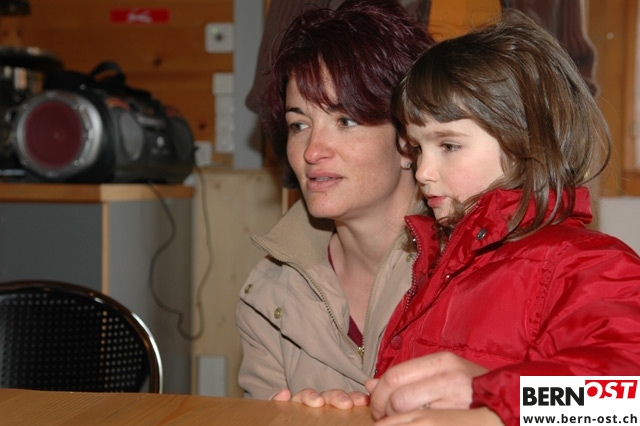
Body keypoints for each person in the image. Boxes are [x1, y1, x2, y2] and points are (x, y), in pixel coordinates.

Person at [365, 9, 640, 426]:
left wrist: (493, 402)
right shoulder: (439, 270)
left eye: (448, 145)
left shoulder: (587, 263)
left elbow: (627, 397)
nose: (422, 172)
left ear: (524, 143)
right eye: (418, 149)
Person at [235, 0, 434, 409]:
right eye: (299, 125)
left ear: (408, 141)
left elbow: (579, 408)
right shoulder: (269, 293)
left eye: (345, 121)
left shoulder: (487, 263)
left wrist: (486, 395)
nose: (312, 151)